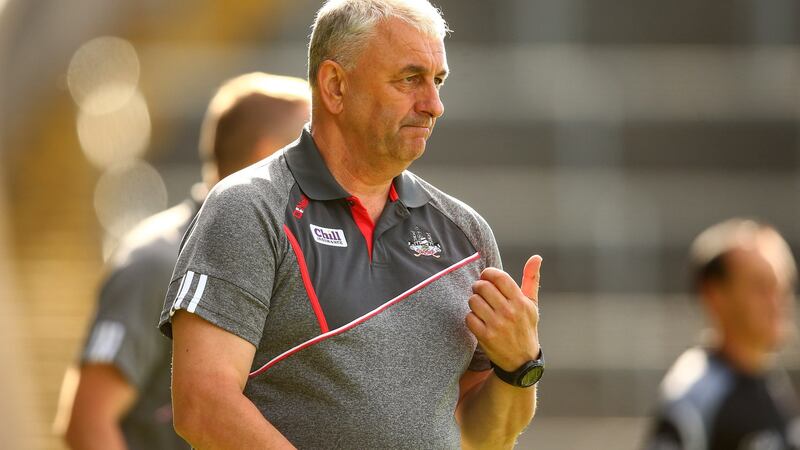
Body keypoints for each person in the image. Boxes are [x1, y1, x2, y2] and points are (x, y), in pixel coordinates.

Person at [159, 1, 544, 449]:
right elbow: (203, 404)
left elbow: (482, 438)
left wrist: (519, 367)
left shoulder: (467, 234)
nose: (434, 105)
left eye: (437, 81)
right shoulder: (249, 207)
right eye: (410, 79)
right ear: (335, 86)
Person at [55, 72, 311, 450]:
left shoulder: (275, 254)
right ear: (269, 153)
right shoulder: (156, 262)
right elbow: (87, 423)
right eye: (311, 146)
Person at [645, 219, 800, 450]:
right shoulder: (695, 396)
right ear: (714, 295)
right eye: (760, 287)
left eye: (783, 287)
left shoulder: (775, 386)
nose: (777, 302)